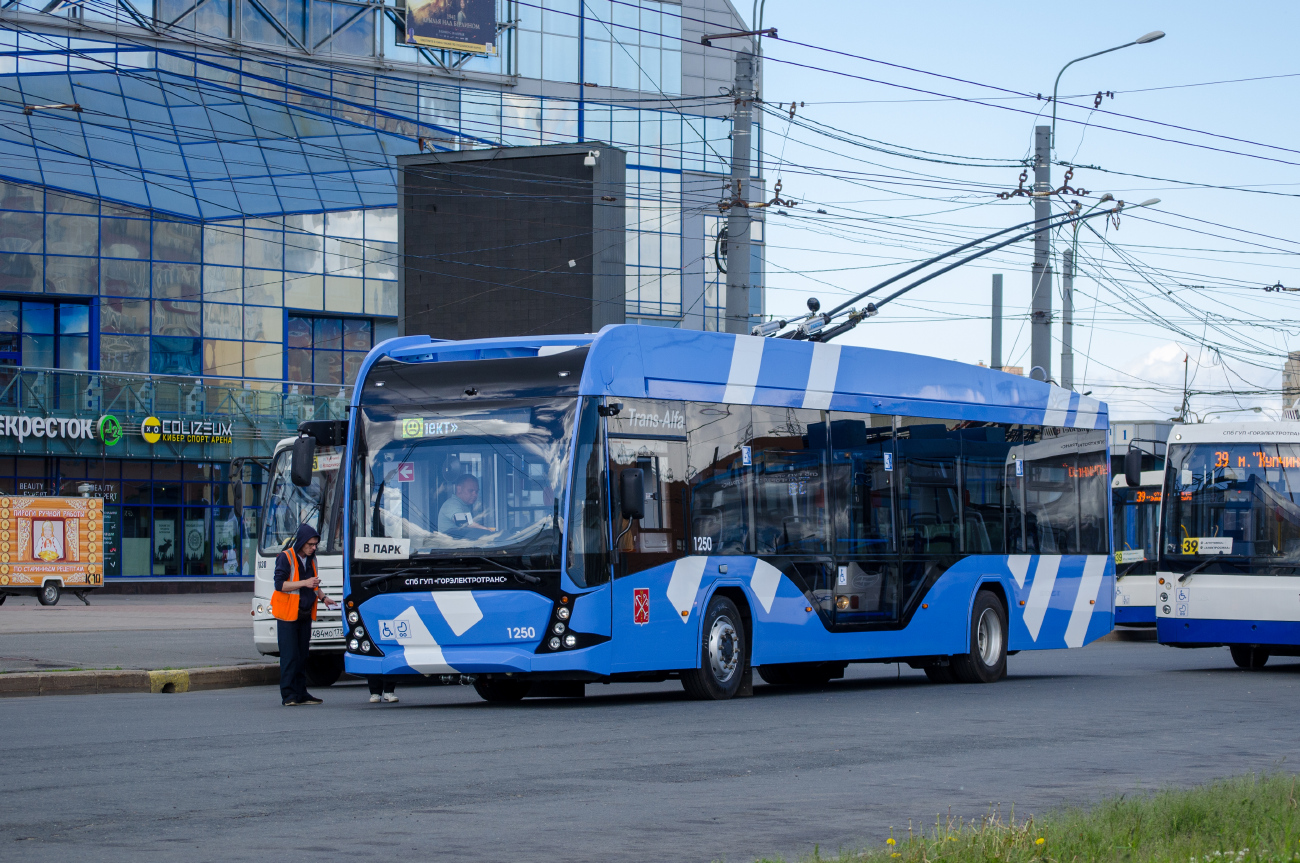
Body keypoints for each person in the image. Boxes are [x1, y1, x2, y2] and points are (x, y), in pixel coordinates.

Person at [272, 523, 337, 706]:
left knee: (302, 655)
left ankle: (301, 693)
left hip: (304, 614)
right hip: (287, 615)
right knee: (289, 655)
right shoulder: (286, 558)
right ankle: (288, 695)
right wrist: (304, 583)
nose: (313, 547)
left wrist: (324, 598)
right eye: (310, 544)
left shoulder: (312, 559)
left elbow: (313, 584)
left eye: (315, 544)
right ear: (301, 542)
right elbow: (280, 585)